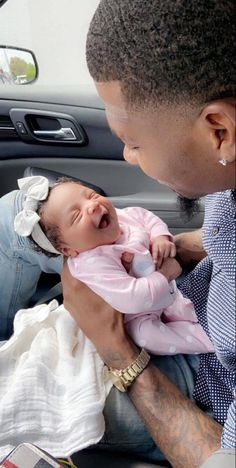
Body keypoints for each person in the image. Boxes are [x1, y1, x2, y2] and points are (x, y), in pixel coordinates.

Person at [60, 0, 235, 467]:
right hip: (183, 299)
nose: (126, 157)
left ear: (219, 131)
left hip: (198, 379)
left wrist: (118, 352)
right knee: (15, 212)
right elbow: (224, 239)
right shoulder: (228, 181)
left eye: (135, 142)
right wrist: (158, 247)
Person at [14, 175, 214, 356]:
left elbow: (144, 217)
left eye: (91, 195)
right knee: (147, 337)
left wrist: (161, 236)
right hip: (137, 314)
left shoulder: (119, 218)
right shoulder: (91, 264)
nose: (92, 206)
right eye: (76, 216)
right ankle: (208, 341)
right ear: (67, 250)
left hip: (168, 293)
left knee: (192, 308)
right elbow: (134, 299)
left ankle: (216, 323)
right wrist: (164, 275)